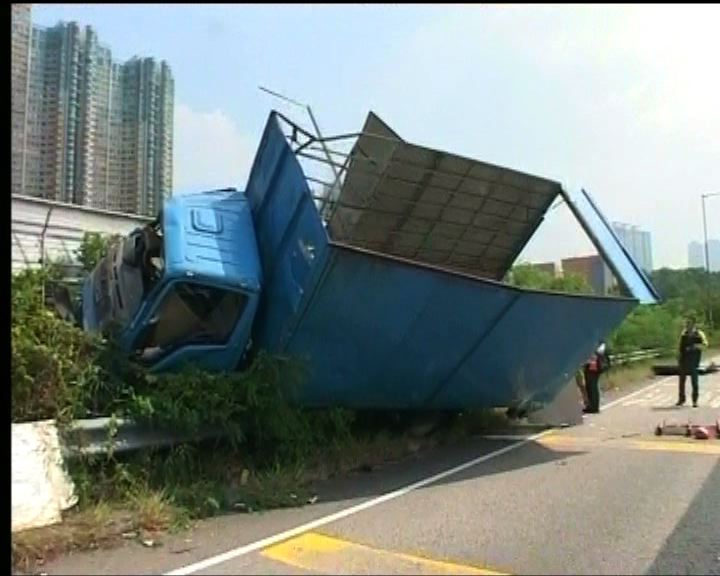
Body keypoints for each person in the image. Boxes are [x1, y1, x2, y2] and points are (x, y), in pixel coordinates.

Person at [676, 316, 709, 407]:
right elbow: (680, 346)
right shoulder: (684, 334)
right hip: (684, 360)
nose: (687, 325)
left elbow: (705, 345)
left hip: (694, 360)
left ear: (693, 324)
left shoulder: (699, 334)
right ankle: (681, 399)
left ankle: (695, 401)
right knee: (682, 381)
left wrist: (694, 347)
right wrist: (679, 357)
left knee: (694, 382)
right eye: (687, 323)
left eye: (689, 323)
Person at [583, 340, 611, 414]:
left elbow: (600, 351)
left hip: (594, 367)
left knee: (593, 387)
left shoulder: (599, 341)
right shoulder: (595, 339)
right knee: (589, 386)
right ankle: (591, 406)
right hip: (590, 365)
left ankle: (594, 407)